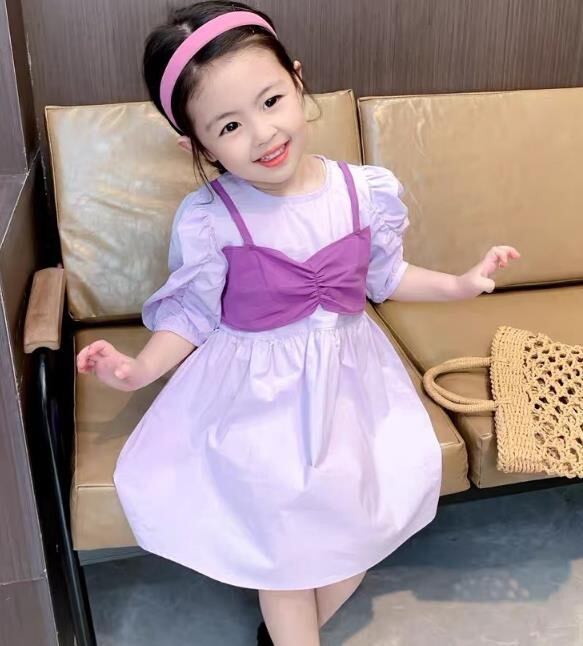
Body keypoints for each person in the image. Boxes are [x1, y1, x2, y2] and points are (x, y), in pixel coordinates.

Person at [76, 2, 520, 644]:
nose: (263, 134)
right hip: (257, 401)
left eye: (271, 100)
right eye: (230, 125)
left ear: (298, 80)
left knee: (360, 524)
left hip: (349, 387)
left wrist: (459, 284)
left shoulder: (362, 191)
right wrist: (137, 368)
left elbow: (385, 277)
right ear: (196, 145)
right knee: (282, 549)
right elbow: (193, 314)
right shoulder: (212, 217)